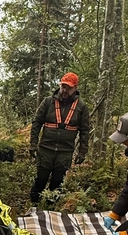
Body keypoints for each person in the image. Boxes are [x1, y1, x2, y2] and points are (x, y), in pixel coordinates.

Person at [29, 72, 89, 204]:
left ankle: (50, 207)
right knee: (41, 179)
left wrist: (82, 152)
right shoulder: (48, 102)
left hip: (65, 151)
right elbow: (36, 123)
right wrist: (33, 144)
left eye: (68, 87)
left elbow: (85, 131)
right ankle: (34, 204)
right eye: (63, 86)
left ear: (75, 88)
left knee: (57, 181)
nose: (65, 90)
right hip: (46, 148)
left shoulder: (81, 107)